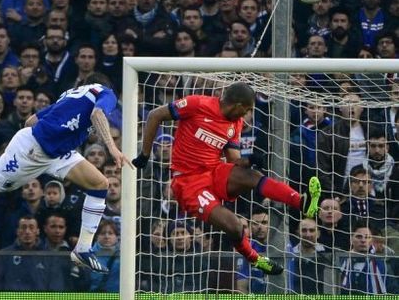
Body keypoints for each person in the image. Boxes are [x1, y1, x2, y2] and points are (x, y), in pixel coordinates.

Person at [0, 73, 132, 274]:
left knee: (100, 184)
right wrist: (112, 148)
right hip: (33, 150)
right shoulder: (106, 93)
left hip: (54, 150)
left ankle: (82, 249)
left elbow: (31, 121)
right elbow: (98, 113)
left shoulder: (70, 96)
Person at [132, 82, 322, 275]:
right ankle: (255, 259)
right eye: (247, 109)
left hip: (214, 171)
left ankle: (302, 202)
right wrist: (145, 155)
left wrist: (250, 160)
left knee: (250, 175)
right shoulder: (197, 104)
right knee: (234, 225)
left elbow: (234, 160)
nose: (246, 115)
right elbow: (155, 115)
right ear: (238, 105)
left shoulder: (235, 123)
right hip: (188, 182)